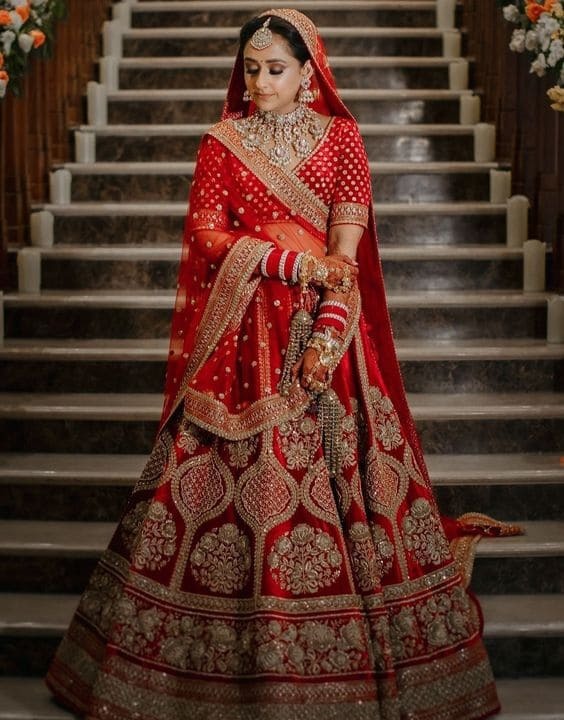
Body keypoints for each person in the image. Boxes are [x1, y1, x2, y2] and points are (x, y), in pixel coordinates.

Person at [46, 9, 518, 719]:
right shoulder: (222, 142)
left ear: (308, 73)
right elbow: (207, 235)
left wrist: (331, 318)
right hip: (241, 339)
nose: (259, 81)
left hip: (324, 330)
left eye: (275, 69)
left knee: (343, 478)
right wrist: (285, 261)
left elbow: (346, 244)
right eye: (251, 67)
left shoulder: (342, 139)